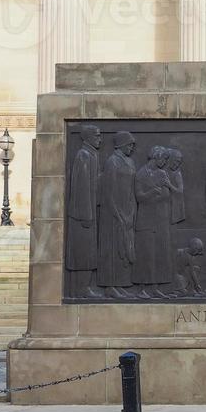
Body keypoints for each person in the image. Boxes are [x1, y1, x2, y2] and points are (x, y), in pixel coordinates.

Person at [97, 130, 138, 300]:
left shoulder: (129, 162)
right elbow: (109, 192)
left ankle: (121, 285)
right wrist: (118, 214)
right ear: (121, 144)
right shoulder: (112, 162)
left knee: (125, 249)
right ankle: (110, 286)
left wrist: (131, 211)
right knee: (113, 249)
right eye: (129, 145)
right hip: (113, 214)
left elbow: (132, 188)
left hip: (128, 211)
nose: (132, 148)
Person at [133, 145, 174, 299]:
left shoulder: (162, 173)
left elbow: (167, 195)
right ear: (156, 157)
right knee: (146, 254)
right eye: (163, 159)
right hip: (146, 220)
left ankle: (155, 287)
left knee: (159, 254)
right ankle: (142, 288)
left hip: (161, 219)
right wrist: (153, 192)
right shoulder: (141, 174)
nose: (164, 162)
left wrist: (162, 191)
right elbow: (139, 197)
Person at [66, 124, 102, 298]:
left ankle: (85, 286)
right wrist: (86, 214)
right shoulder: (84, 155)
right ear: (88, 138)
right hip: (83, 215)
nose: (100, 139)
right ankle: (81, 288)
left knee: (89, 251)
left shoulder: (92, 155)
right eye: (97, 136)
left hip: (90, 212)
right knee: (83, 252)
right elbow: (82, 187)